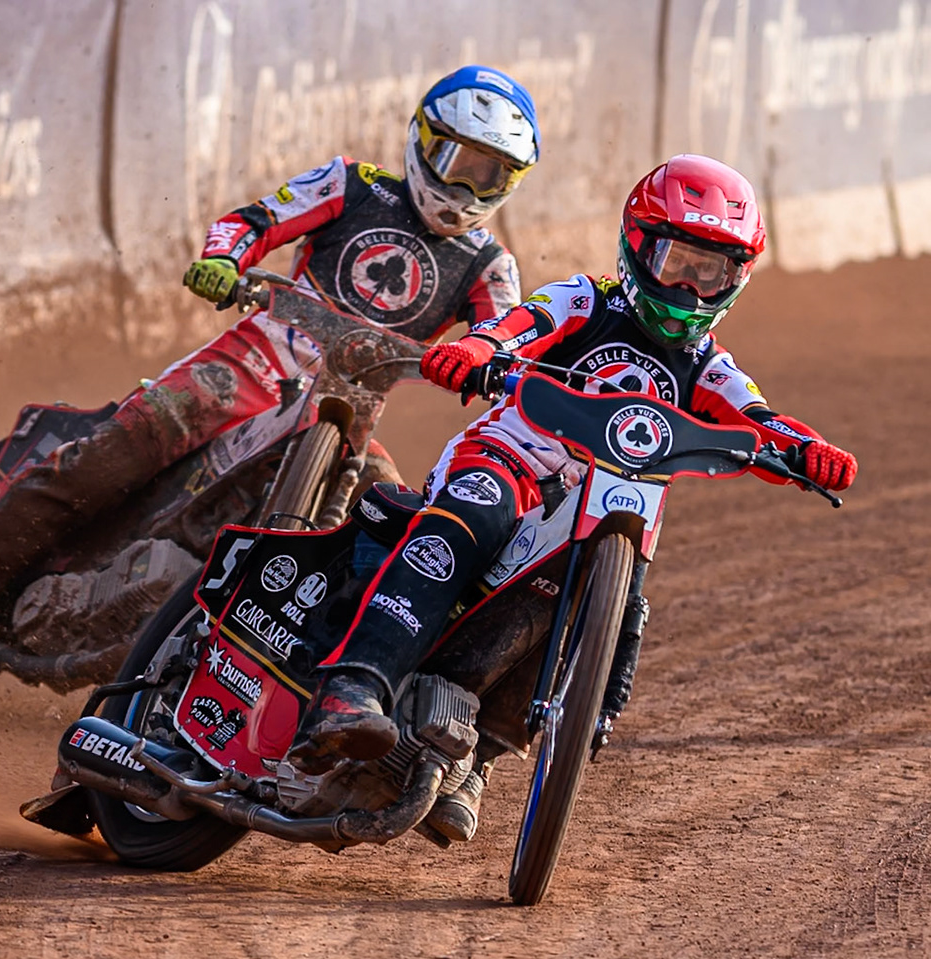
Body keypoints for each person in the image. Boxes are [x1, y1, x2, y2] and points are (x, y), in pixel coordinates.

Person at [294, 154, 859, 839]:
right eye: (677, 261)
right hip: (512, 458)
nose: (689, 285)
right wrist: (477, 351)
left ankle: (477, 755)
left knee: (612, 608)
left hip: (609, 508)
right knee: (469, 519)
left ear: (734, 280)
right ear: (637, 247)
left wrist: (809, 452)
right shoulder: (588, 299)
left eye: (709, 272)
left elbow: (760, 421)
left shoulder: (709, 365)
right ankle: (352, 686)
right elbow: (520, 326)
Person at [0, 65, 541, 664]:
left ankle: (315, 692)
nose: (466, 187)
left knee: (389, 530)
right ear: (423, 141)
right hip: (252, 364)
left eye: (489, 175)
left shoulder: (490, 265)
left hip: (351, 415)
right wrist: (223, 260)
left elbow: (507, 337)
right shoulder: (354, 185)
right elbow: (254, 221)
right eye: (458, 161)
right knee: (115, 454)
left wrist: (498, 370)